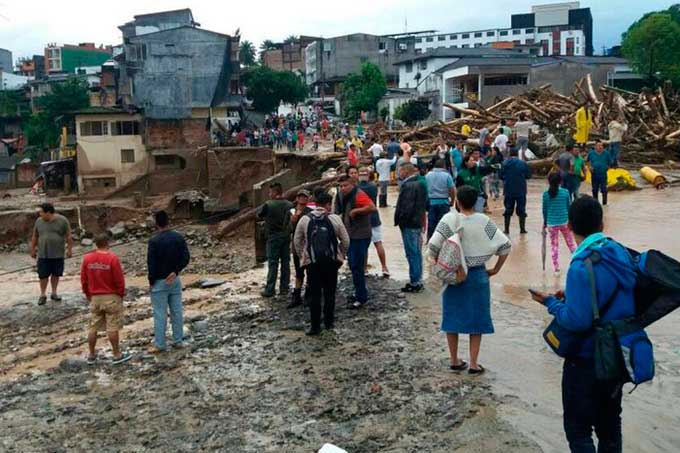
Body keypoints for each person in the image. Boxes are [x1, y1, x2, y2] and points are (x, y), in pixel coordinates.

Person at [530, 196, 636, 451]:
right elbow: (615, 295)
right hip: (617, 353)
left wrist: (551, 304)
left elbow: (578, 321)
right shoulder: (619, 252)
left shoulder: (580, 265)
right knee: (610, 427)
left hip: (587, 358)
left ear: (569, 225)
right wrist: (573, 296)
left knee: (578, 431)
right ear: (602, 222)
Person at [428, 185, 511, 375]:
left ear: (457, 201)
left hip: (454, 276)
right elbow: (506, 246)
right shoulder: (484, 221)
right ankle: (474, 363)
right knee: (477, 319)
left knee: (451, 317)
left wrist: (439, 270)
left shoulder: (449, 219)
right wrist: (495, 270)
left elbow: (432, 247)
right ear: (476, 202)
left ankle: (454, 360)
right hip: (478, 275)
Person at [294, 189, 349, 335]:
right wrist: (340, 255)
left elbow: (297, 241)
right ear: (328, 205)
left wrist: (304, 257)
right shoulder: (335, 218)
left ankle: (315, 327)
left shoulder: (305, 219)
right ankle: (329, 323)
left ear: (316, 204)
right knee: (330, 292)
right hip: (331, 262)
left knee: (315, 294)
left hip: (312, 263)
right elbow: (346, 240)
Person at [80, 233, 131, 364]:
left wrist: (87, 294)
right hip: (111, 296)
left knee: (93, 327)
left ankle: (91, 355)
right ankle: (116, 354)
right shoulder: (112, 258)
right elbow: (119, 280)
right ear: (108, 243)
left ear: (95, 243)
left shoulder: (87, 259)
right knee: (112, 326)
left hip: (95, 297)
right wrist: (120, 294)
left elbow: (84, 280)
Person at [147, 210, 190, 353]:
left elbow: (151, 264)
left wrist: (151, 281)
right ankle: (178, 341)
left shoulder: (153, 241)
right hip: (175, 280)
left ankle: (160, 344)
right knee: (177, 312)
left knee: (160, 314)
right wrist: (176, 271)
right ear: (168, 221)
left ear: (156, 223)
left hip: (159, 281)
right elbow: (186, 258)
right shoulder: (178, 237)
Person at [337, 175, 377, 308]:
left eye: (345, 186)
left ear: (352, 184)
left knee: (357, 266)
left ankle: (361, 297)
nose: (342, 188)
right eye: (341, 186)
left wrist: (357, 210)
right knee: (354, 266)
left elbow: (372, 207)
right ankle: (359, 292)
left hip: (360, 235)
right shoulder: (344, 196)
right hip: (351, 235)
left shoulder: (359, 194)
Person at [31, 203, 73, 306]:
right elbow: (35, 236)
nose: (40, 214)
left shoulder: (62, 220)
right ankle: (43, 294)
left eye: (41, 212)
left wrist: (69, 249)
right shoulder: (38, 221)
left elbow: (68, 236)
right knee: (43, 275)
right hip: (43, 254)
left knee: (56, 274)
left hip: (58, 253)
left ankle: (54, 293)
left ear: (48, 212)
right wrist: (33, 249)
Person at [394, 163, 428, 293]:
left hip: (409, 224)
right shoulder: (421, 183)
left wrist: (401, 220)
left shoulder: (408, 185)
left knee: (412, 253)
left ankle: (415, 282)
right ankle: (418, 279)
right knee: (417, 253)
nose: (398, 173)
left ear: (405, 171)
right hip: (417, 221)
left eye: (400, 170)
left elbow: (406, 207)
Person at [258, 183, 294, 297]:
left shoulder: (268, 204)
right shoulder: (289, 204)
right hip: (286, 236)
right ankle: (284, 288)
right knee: (285, 262)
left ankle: (270, 289)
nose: (269, 194)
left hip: (273, 237)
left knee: (273, 263)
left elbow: (259, 215)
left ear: (274, 193)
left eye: (270, 192)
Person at [357, 167, 391, 277]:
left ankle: (364, 269)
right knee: (378, 243)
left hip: (362, 219)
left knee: (364, 246)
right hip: (375, 218)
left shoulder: (357, 188)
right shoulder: (373, 186)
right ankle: (384, 267)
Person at [542, 173, 576, 275]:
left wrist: (544, 223)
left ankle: (556, 269)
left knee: (554, 246)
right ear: (560, 181)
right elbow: (569, 207)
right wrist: (571, 221)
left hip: (551, 224)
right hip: (565, 222)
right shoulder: (565, 193)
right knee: (571, 244)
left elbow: (545, 210)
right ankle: (577, 262)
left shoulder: (545, 195)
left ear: (549, 182)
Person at [289, 189, 313, 308]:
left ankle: (309, 294)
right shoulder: (291, 211)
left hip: (308, 245)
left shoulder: (310, 212)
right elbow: (287, 228)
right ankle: (296, 296)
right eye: (300, 197)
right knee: (299, 271)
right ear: (297, 198)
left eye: (305, 197)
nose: (302, 199)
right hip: (296, 245)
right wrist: (292, 221)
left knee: (309, 269)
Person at [500, 148, 531, 234]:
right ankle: (522, 229)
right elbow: (528, 176)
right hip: (521, 190)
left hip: (508, 190)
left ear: (509, 154)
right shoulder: (523, 163)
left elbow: (501, 176)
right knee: (521, 209)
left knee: (508, 209)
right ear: (517, 154)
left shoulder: (504, 163)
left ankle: (506, 230)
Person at [425, 158, 455, 239]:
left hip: (431, 203)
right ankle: (444, 240)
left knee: (431, 223)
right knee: (444, 223)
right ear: (444, 166)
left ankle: (430, 239)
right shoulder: (447, 175)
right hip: (444, 202)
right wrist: (452, 201)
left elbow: (424, 189)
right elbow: (452, 189)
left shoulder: (427, 175)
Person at [587, 140, 613, 206]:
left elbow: (610, 162)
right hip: (594, 174)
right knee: (595, 189)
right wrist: (590, 167)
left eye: (601, 145)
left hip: (603, 174)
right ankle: (596, 204)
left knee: (604, 189)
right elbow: (588, 162)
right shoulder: (591, 153)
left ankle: (604, 204)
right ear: (595, 146)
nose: (600, 147)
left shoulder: (606, 153)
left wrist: (607, 167)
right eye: (598, 145)